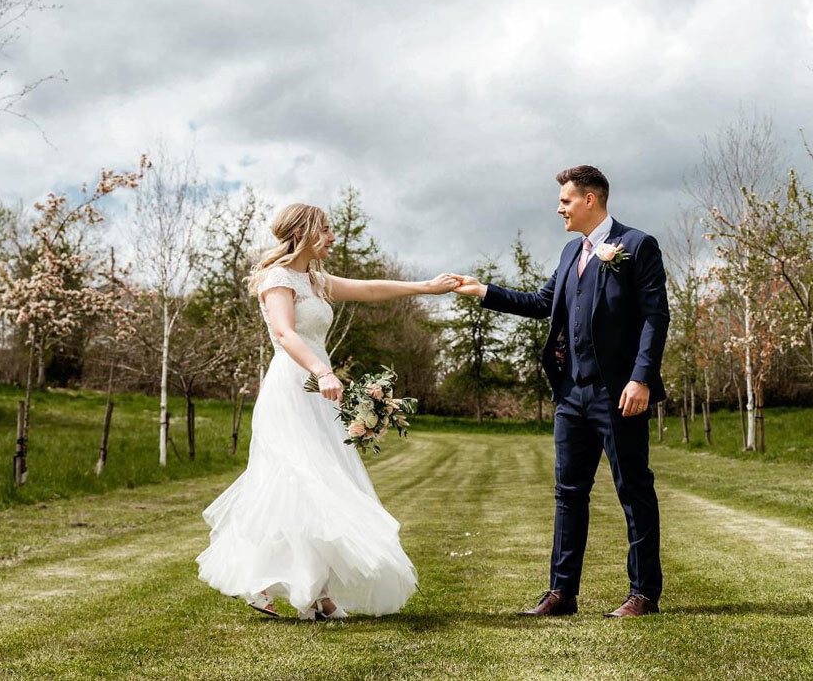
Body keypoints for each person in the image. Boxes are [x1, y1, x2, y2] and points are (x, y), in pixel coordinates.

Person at [195, 202, 460, 620]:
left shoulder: (314, 279)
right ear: (302, 232)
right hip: (294, 384)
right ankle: (262, 580)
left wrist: (426, 287)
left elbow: (369, 290)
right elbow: (285, 333)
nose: (333, 238)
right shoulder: (277, 278)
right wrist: (321, 370)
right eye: (326, 229)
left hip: (320, 390)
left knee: (323, 482)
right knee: (303, 479)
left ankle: (316, 594)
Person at [454, 165, 670, 618]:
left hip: (620, 393)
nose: (559, 209)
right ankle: (561, 593)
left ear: (590, 199)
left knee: (633, 490)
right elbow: (542, 303)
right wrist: (483, 291)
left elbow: (656, 317)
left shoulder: (637, 245)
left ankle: (643, 594)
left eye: (565, 201)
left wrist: (641, 378)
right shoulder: (572, 251)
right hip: (571, 394)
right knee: (568, 493)